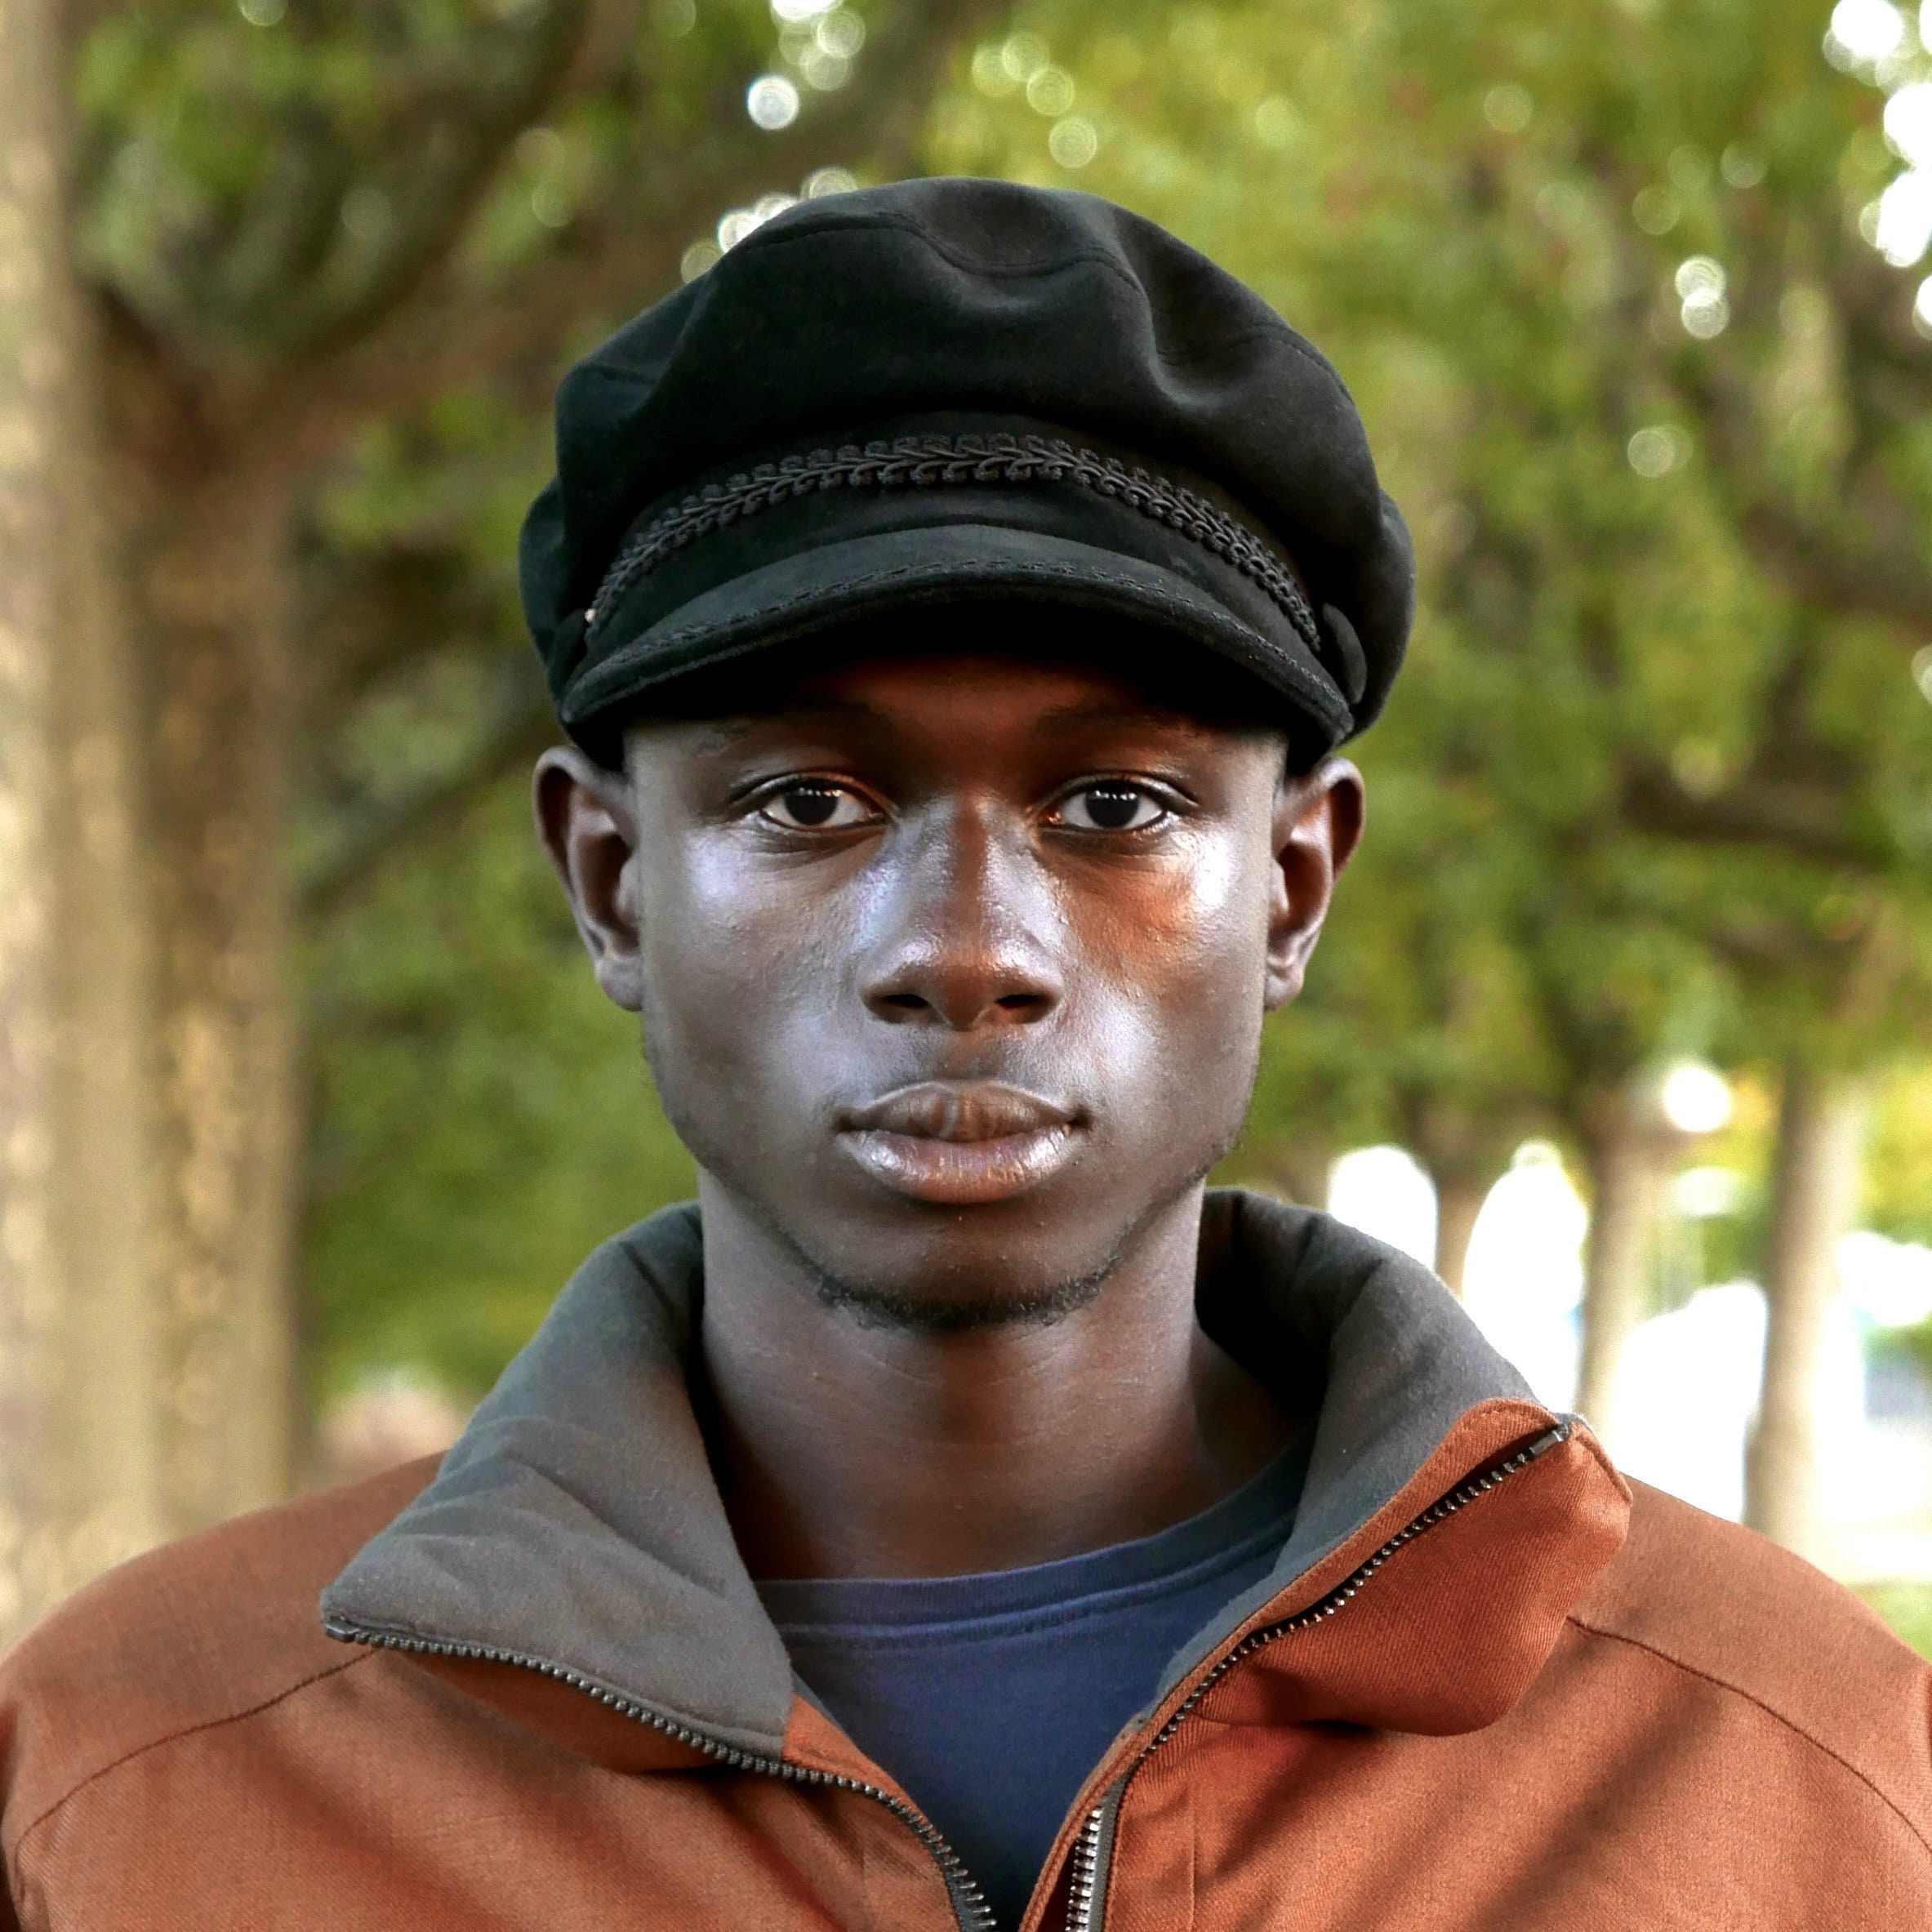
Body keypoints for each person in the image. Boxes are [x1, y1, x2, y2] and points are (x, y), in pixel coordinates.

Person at [2, 179, 1926, 1931]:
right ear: (607, 881)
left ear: (1291, 886)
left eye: (1110, 802)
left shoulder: (1800, 1778)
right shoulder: (129, 1787)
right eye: (808, 801)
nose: (965, 949)